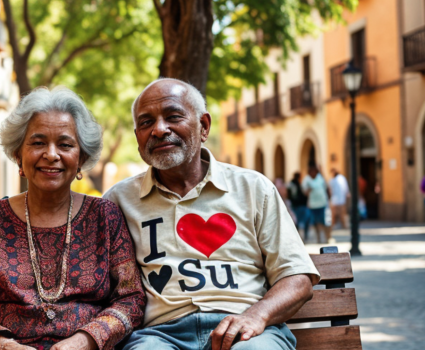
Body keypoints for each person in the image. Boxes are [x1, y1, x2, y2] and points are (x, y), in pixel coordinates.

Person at [104, 78, 319, 350]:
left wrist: (256, 315)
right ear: (138, 138)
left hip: (247, 331)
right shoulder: (118, 201)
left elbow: (297, 278)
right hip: (160, 335)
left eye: (173, 116)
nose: (159, 130)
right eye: (146, 123)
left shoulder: (253, 188)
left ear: (203, 126)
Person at [0, 87, 146, 350]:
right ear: (18, 154)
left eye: (65, 144)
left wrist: (85, 341)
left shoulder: (105, 216)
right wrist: (2, 346)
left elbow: (131, 299)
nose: (51, 154)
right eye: (38, 143)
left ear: (81, 157)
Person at [301, 164, 330, 243]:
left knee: (324, 222)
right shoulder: (306, 180)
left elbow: (326, 187)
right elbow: (305, 193)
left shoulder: (320, 178)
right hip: (313, 205)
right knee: (315, 223)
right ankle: (319, 239)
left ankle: (327, 238)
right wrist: (309, 189)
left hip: (322, 204)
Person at [287, 172, 309, 241]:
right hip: (299, 206)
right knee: (301, 222)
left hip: (295, 205)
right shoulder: (296, 185)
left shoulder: (291, 184)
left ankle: (299, 238)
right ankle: (302, 237)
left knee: (297, 223)